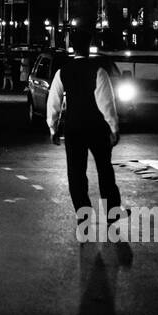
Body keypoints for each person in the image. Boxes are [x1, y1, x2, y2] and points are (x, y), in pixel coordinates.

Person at [47, 28, 123, 232]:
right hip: (96, 126)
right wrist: (114, 127)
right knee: (104, 169)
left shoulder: (63, 72)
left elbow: (53, 102)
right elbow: (106, 103)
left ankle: (83, 214)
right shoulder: (99, 71)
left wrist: (53, 128)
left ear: (72, 47)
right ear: (89, 46)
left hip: (73, 127)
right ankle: (112, 212)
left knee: (76, 172)